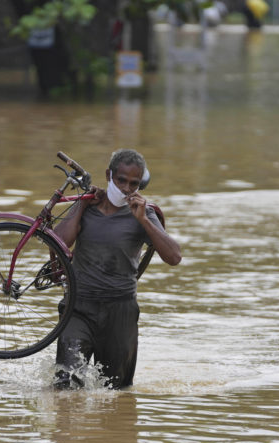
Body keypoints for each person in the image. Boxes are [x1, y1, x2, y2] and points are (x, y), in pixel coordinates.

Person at [52, 148, 182, 390]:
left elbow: (174, 256)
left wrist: (143, 220)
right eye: (121, 180)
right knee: (65, 386)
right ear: (109, 175)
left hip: (120, 312)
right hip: (79, 307)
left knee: (116, 392)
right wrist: (81, 205)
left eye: (133, 183)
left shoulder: (144, 213)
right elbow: (58, 243)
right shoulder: (87, 206)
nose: (125, 188)